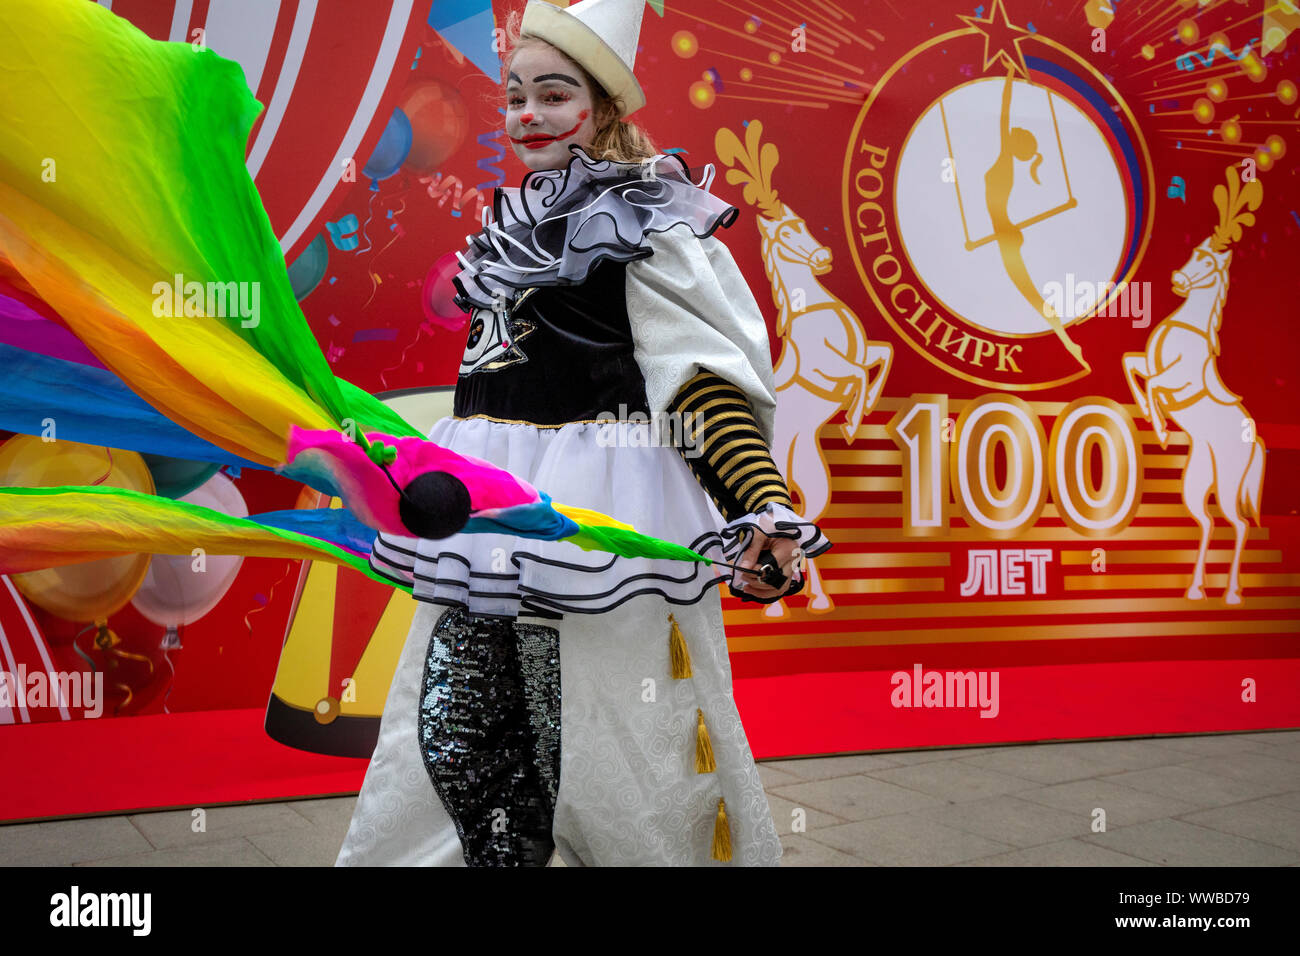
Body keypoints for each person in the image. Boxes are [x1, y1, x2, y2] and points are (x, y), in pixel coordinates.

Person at [335, 0, 831, 867]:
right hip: (487, 529)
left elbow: (698, 377)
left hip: (597, 523)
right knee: (453, 750)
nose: (528, 114)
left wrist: (758, 504)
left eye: (554, 95)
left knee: (630, 765)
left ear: (601, 107)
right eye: (515, 97)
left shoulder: (647, 224)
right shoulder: (509, 230)